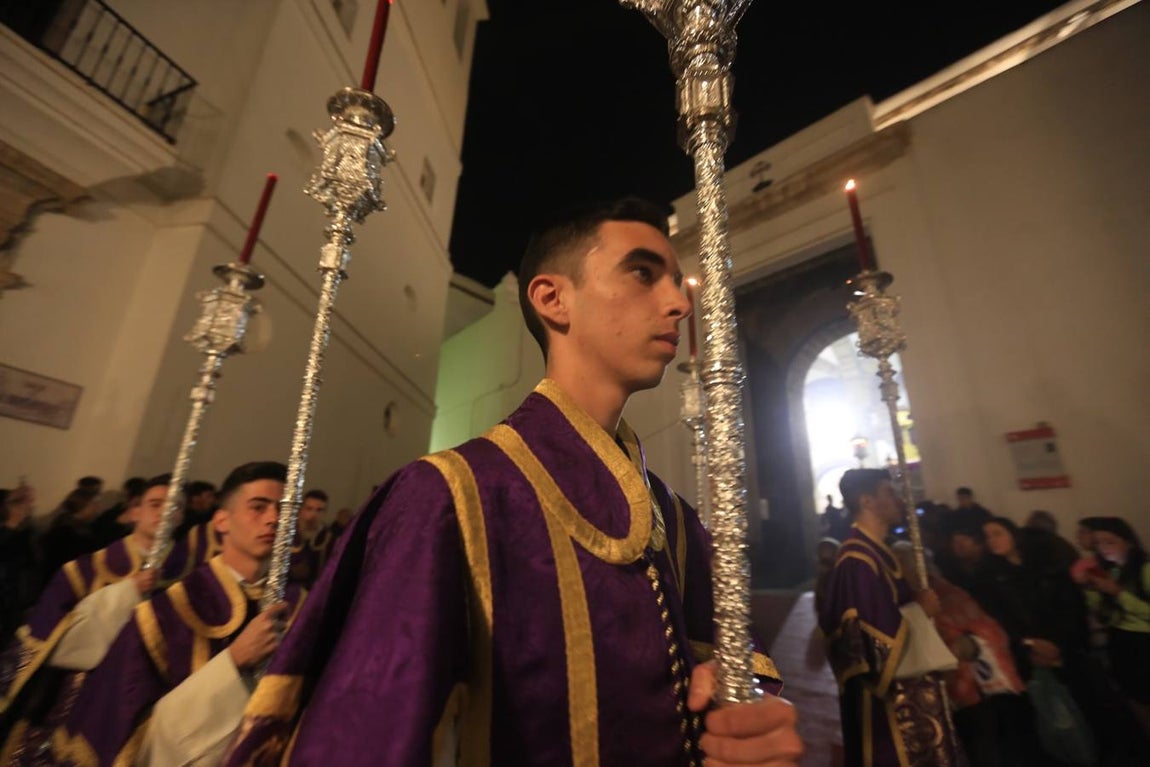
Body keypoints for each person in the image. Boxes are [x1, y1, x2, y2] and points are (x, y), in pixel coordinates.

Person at [225, 198, 800, 766]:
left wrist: (742, 723)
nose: (679, 303)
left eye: (677, 281)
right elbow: (365, 735)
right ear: (553, 298)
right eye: (643, 274)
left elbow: (734, 659)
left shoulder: (673, 517)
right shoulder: (449, 495)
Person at [56, 461, 306, 766]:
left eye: (284, 508)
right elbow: (128, 736)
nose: (274, 519)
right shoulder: (163, 615)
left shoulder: (304, 609)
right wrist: (233, 662)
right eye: (258, 506)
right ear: (222, 521)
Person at [0, 475, 202, 762]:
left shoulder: (190, 583)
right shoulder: (83, 571)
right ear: (134, 511)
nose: (165, 512)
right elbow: (49, 642)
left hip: (143, 706)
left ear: (182, 516)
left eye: (175, 506)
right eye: (155, 504)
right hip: (73, 701)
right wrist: (127, 593)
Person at [818, 468, 965, 766]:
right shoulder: (857, 562)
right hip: (889, 709)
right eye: (889, 492)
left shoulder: (877, 553)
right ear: (867, 502)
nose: (898, 500)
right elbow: (868, 642)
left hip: (911, 692)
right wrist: (919, 611)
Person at [1083, 517, 1150, 737]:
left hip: (1144, 642)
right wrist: (1092, 591)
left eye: (1109, 542)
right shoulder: (1112, 572)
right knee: (1133, 696)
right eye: (1099, 543)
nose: (1103, 549)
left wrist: (1118, 594)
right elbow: (1106, 617)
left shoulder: (1145, 569)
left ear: (1128, 542)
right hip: (1121, 641)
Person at [288, 489, 333, 587]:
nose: (313, 515)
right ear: (301, 509)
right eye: (309, 509)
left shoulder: (329, 538)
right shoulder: (287, 533)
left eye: (319, 510)